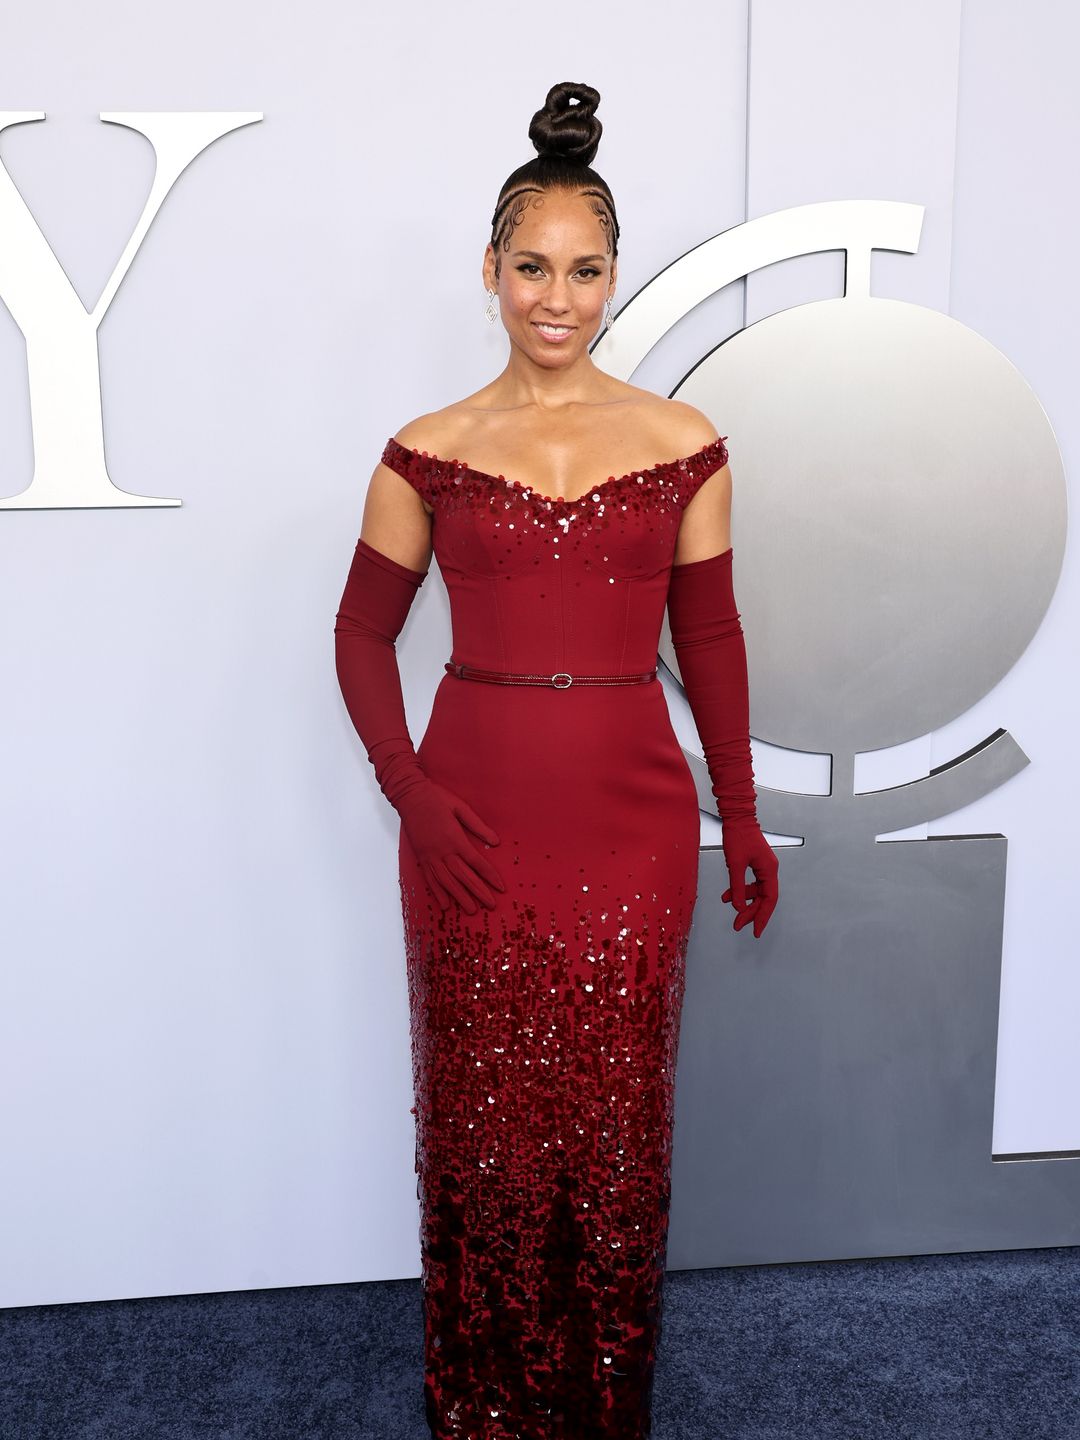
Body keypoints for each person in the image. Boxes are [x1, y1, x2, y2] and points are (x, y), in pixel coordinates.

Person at [334, 79, 779, 1440]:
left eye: (584, 269)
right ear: (490, 272)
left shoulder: (683, 446)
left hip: (631, 826)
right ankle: (480, 1399)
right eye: (532, 266)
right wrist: (409, 790)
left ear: (611, 277)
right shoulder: (427, 452)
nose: (557, 295)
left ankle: (599, 1399)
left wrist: (742, 817)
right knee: (483, 1122)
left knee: (614, 1123)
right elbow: (359, 635)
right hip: (469, 819)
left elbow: (709, 641)